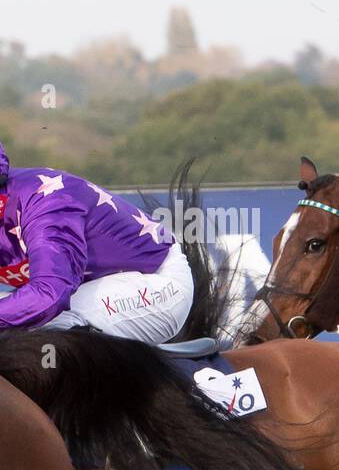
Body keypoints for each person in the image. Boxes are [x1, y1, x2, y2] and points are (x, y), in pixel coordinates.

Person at [0, 138, 194, 342]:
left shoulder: (45, 203)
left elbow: (51, 295)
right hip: (83, 291)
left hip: (157, 284)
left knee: (49, 324)